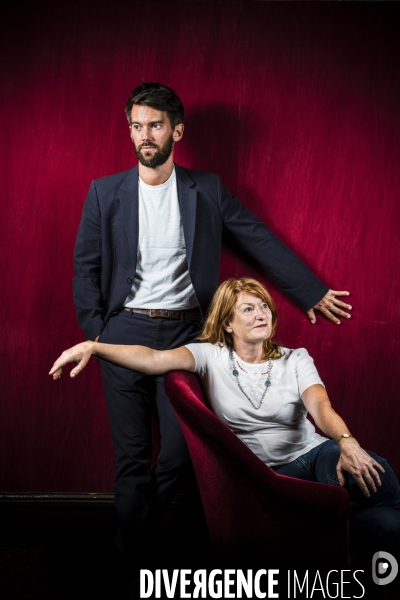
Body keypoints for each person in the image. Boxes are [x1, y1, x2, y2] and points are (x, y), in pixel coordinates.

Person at [72, 81, 353, 569]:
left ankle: (142, 533)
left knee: (181, 454)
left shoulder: (207, 189)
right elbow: (85, 268)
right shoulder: (105, 193)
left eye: (155, 125)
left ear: (176, 131)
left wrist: (310, 291)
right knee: (132, 455)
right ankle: (136, 554)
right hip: (122, 332)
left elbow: (256, 238)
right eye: (136, 126)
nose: (144, 135)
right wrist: (98, 333)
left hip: (188, 337)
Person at [51, 277, 400, 568]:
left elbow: (320, 406)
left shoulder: (295, 359)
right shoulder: (209, 356)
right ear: (228, 323)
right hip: (269, 476)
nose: (261, 313)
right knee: (378, 520)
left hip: (316, 453)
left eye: (264, 305)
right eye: (248, 308)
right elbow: (154, 359)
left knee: (379, 483)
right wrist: (95, 347)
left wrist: (345, 441)